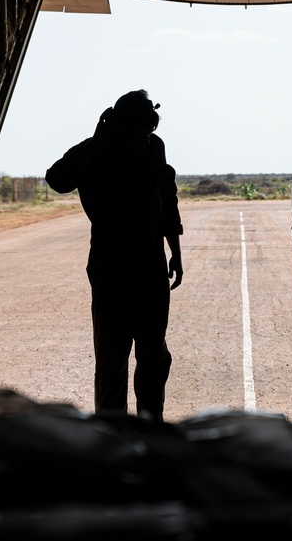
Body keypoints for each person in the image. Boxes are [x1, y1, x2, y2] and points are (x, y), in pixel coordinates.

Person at [45, 89, 183, 421]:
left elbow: (166, 200)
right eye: (138, 131)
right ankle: (111, 432)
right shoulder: (97, 151)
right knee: (111, 359)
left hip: (151, 268)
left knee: (153, 355)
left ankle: (150, 427)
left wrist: (175, 252)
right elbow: (56, 179)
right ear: (119, 125)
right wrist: (98, 139)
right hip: (111, 274)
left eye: (149, 130)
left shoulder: (153, 148)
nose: (144, 138)